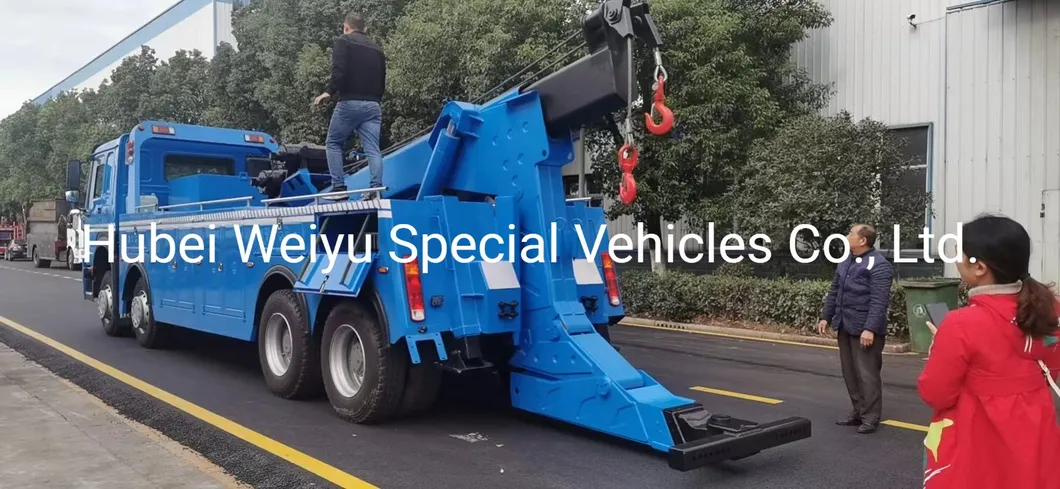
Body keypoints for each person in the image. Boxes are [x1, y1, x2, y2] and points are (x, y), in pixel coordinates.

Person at [917, 214, 1060, 489]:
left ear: (980, 267)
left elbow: (935, 393)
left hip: (980, 444)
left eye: (959, 253)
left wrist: (940, 347)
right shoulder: (1048, 310)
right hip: (1037, 437)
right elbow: (1050, 370)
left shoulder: (961, 324)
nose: (956, 260)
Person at [817, 224, 894, 434]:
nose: (847, 236)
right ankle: (858, 411)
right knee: (850, 373)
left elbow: (879, 301)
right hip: (845, 324)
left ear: (862, 240)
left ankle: (870, 417)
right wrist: (826, 316)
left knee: (867, 375)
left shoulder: (879, 265)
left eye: (851, 233)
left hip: (865, 330)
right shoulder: (846, 262)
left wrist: (870, 329)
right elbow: (835, 291)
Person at [313, 11, 386, 201]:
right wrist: (375, 99)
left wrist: (329, 91)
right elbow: (382, 78)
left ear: (346, 26)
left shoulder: (343, 41)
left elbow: (339, 69)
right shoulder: (377, 48)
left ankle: (339, 188)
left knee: (333, 143)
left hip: (350, 103)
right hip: (373, 105)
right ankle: (376, 189)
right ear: (364, 28)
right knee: (373, 150)